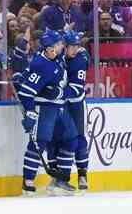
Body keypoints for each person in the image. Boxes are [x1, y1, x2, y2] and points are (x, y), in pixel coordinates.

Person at [14, 29, 78, 196]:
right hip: (45, 109)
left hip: (60, 108)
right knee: (39, 143)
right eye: (58, 45)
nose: (62, 46)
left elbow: (27, 78)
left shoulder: (56, 59)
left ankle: (60, 181)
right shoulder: (41, 64)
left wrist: (58, 92)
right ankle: (28, 183)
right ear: (50, 48)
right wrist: (30, 112)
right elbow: (26, 93)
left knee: (71, 139)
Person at [45, 30, 89, 193]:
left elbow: (77, 89)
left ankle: (82, 174)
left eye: (77, 46)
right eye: (72, 46)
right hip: (61, 105)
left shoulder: (80, 60)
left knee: (78, 138)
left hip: (75, 105)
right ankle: (57, 177)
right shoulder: (58, 56)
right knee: (54, 140)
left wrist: (58, 94)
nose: (75, 49)